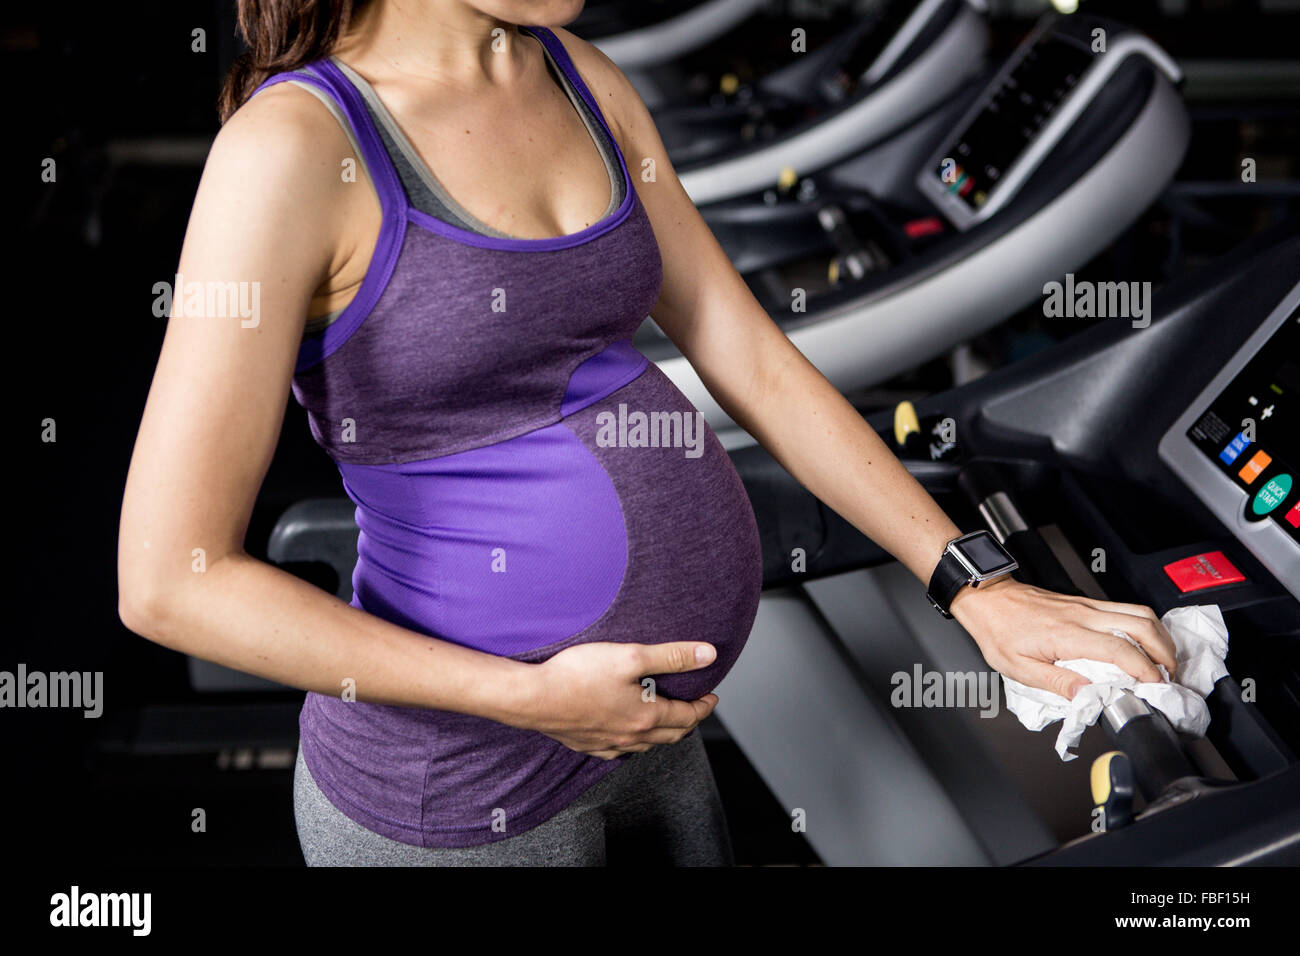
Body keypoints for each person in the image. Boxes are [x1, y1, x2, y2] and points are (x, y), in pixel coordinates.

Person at [117, 0, 1177, 866]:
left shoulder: (579, 75)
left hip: (652, 734)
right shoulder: (293, 150)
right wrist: (531, 697)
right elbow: (171, 577)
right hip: (461, 780)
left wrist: (972, 585)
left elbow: (744, 349)